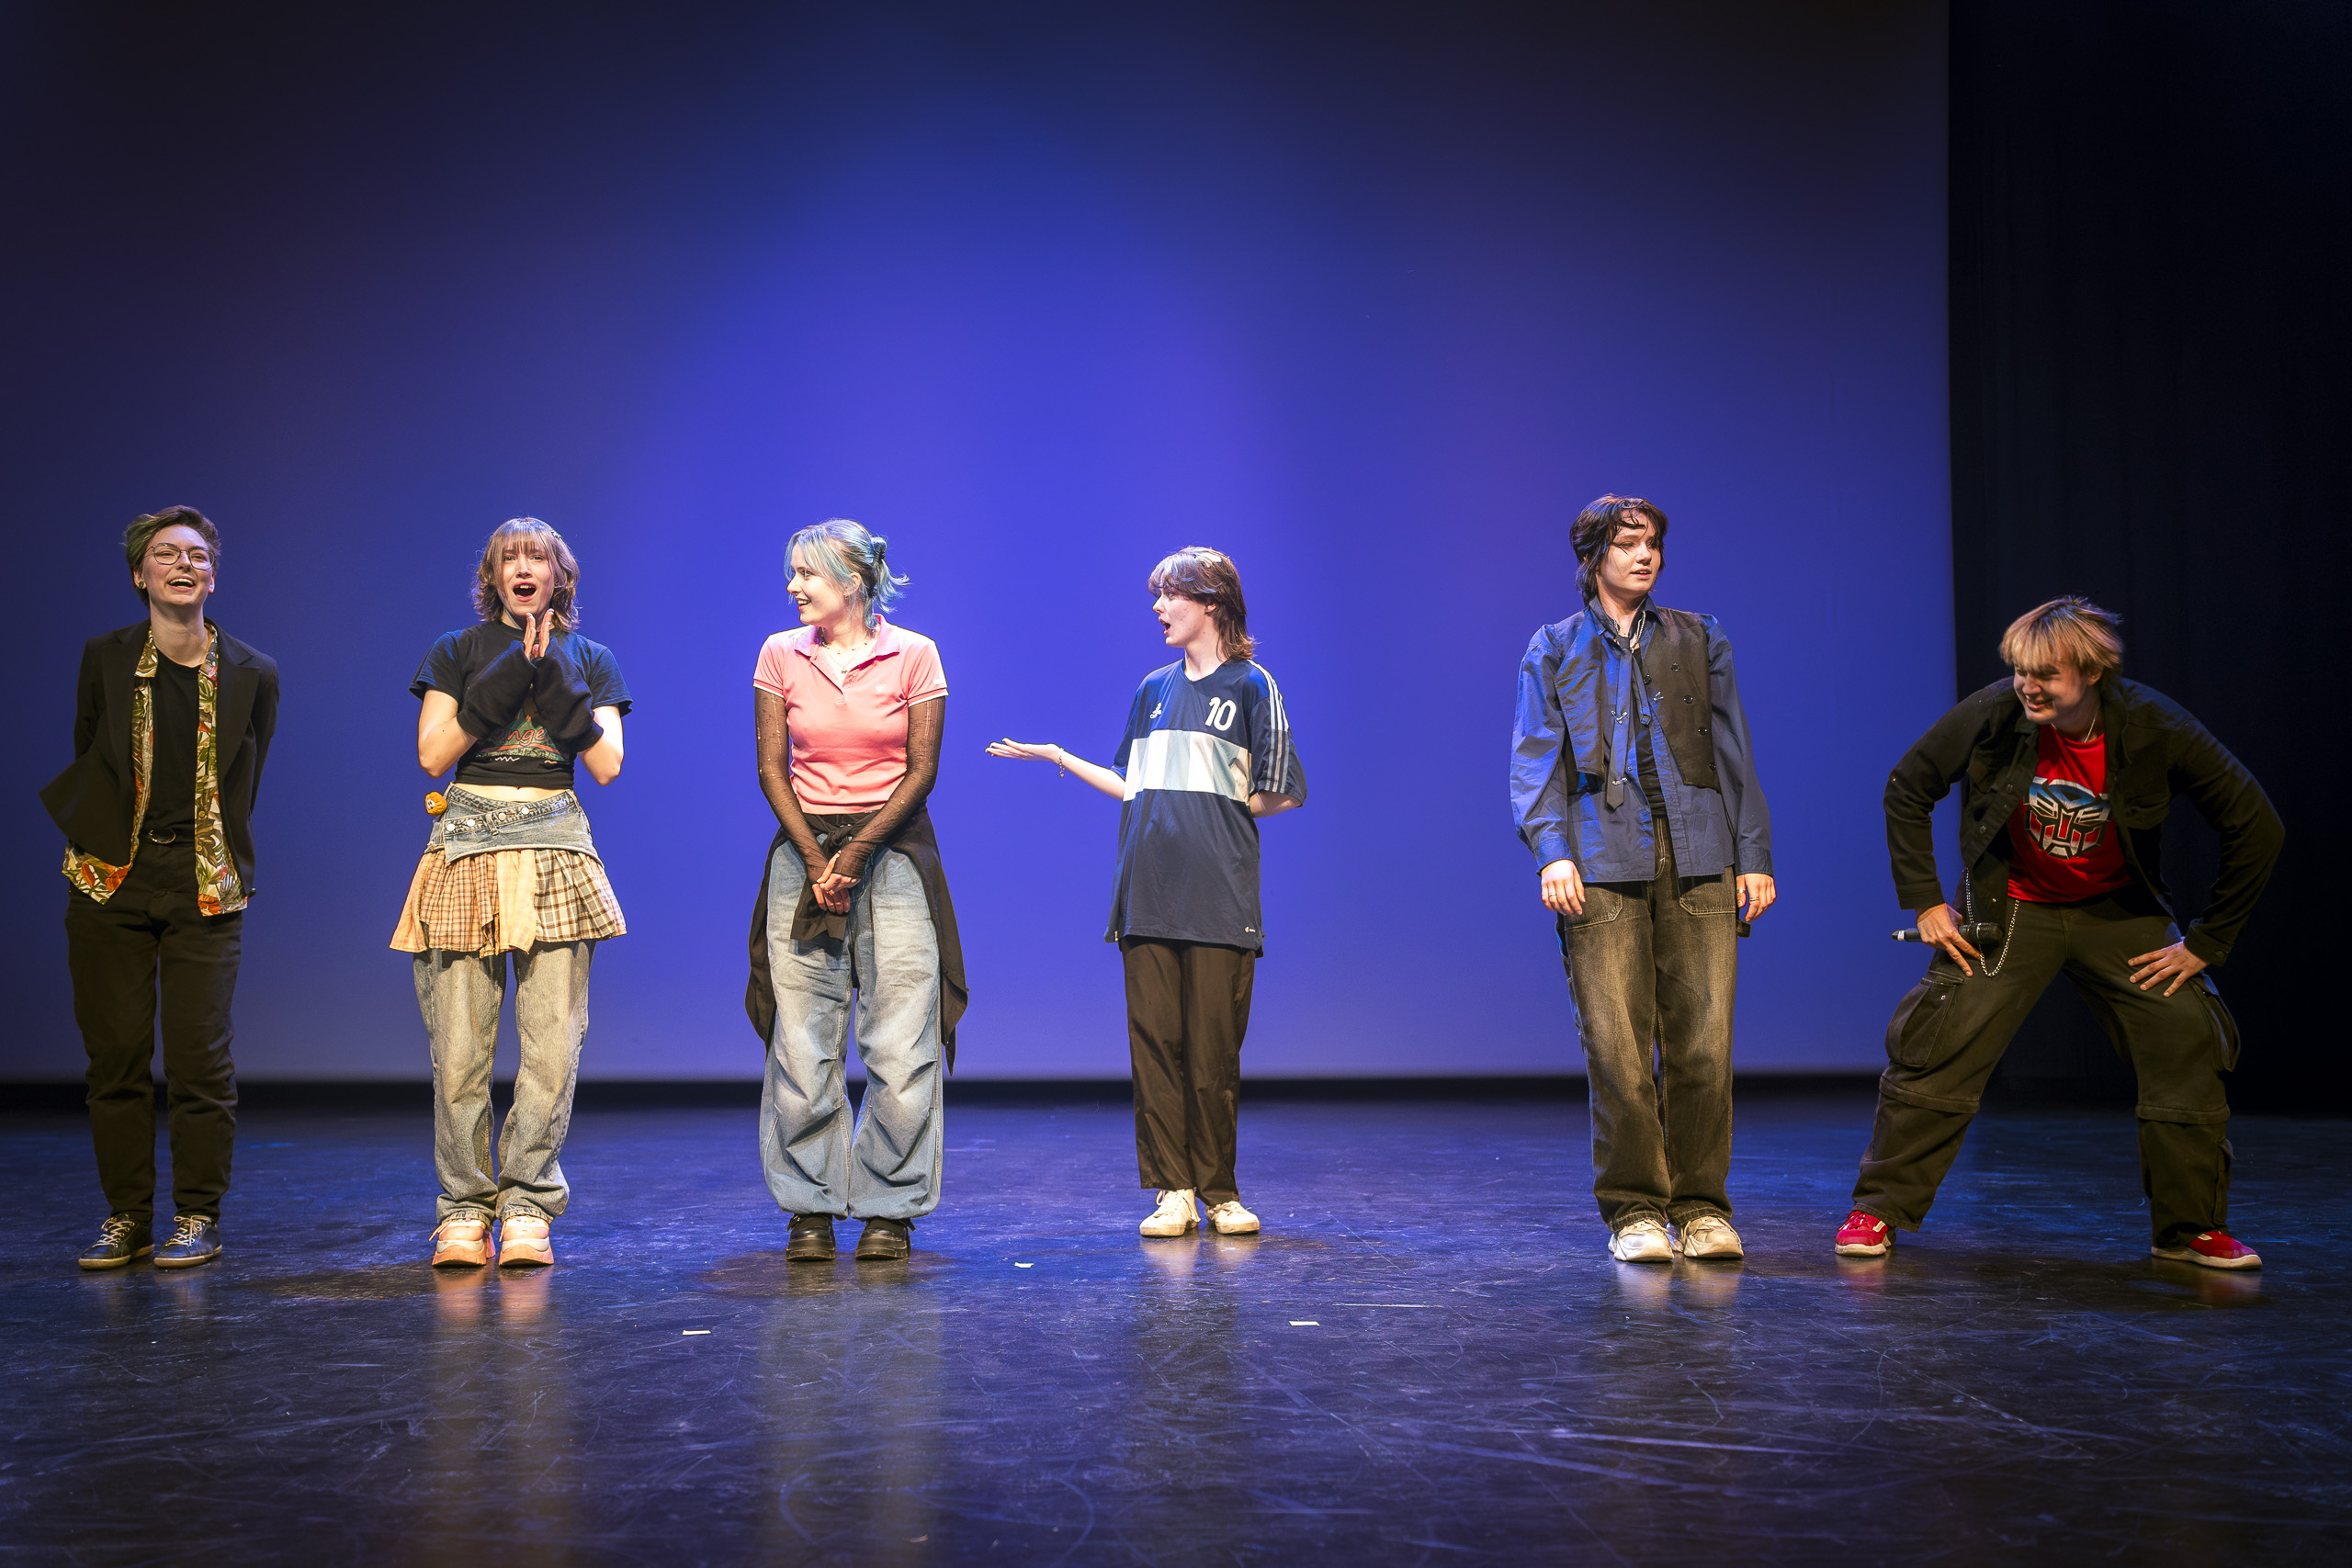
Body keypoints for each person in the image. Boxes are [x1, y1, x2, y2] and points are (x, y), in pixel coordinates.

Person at [1836, 597, 2282, 1269]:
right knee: (1941, 1038)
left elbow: (2256, 824)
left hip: (2118, 911)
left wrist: (2206, 942)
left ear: (2093, 672)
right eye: (2021, 670)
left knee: (2187, 1034)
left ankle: (2189, 1229)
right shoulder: (1995, 712)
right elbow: (1909, 786)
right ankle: (1879, 1209)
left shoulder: (2156, 725)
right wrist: (1925, 901)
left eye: (2046, 674)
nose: (2028, 686)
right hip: (2012, 904)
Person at [989, 547, 1306, 1238]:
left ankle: (1220, 1192)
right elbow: (1133, 783)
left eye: (1171, 595)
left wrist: (1215, 809)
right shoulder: (1152, 690)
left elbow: (1281, 789)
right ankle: (1174, 1191)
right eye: (1157, 596)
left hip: (1218, 898)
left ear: (1211, 603)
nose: (1158, 608)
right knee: (1155, 1048)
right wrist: (1059, 757)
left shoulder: (1253, 686)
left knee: (1214, 1053)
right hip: (1147, 893)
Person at [1510, 495, 1776, 1264]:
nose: (1645, 554)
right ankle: (1634, 1210)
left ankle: (1701, 1207)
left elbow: (1733, 749)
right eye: (1627, 543)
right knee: (1618, 1048)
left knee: (1704, 1044)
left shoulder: (1699, 636)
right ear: (1593, 556)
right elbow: (1535, 755)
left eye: (1652, 542)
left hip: (1700, 853)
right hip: (1599, 858)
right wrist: (1553, 851)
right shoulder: (1555, 646)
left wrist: (1753, 854)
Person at [392, 518, 630, 1269]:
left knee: (553, 1047)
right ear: (492, 576)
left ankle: (527, 1203)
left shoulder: (590, 656)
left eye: (537, 557)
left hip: (557, 846)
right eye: (509, 558)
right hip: (467, 845)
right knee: (460, 1049)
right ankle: (464, 1208)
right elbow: (433, 754)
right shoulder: (457, 649)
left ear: (560, 575)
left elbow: (608, 765)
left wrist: (553, 674)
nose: (523, 568)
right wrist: (504, 675)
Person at [47, 507, 279, 1271]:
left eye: (198, 554)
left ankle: (197, 1214)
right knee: (114, 1056)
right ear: (139, 574)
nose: (184, 564)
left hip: (202, 882)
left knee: (199, 1059)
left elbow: (247, 775)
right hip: (112, 879)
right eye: (166, 553)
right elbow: (91, 750)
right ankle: (126, 1216)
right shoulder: (105, 657)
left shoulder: (253, 671)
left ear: (214, 575)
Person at [747, 519, 965, 1264]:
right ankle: (810, 1204)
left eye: (807, 573)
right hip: (804, 856)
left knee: (901, 1037)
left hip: (894, 853)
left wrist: (860, 850)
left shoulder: (915, 654)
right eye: (793, 573)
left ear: (853, 581)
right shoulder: (781, 653)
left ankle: (888, 1207)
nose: (793, 586)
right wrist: (817, 860)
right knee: (802, 1037)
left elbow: (922, 770)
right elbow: (772, 767)